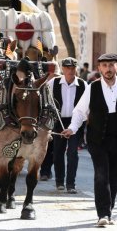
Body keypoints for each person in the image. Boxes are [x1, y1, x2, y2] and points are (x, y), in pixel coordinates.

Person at [61, 53, 117, 226]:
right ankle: (103, 214)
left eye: (111, 65)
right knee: (101, 175)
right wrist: (72, 128)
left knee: (114, 176)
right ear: (99, 69)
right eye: (104, 66)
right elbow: (79, 112)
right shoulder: (93, 88)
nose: (108, 69)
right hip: (97, 139)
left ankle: (108, 210)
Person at [39, 57, 88, 195]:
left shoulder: (83, 85)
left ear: (76, 69)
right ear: (63, 69)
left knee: (73, 153)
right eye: (67, 68)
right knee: (58, 152)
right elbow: (44, 101)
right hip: (58, 122)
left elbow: (87, 107)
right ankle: (60, 181)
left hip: (76, 122)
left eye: (73, 68)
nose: (70, 71)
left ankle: (71, 184)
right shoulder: (53, 83)